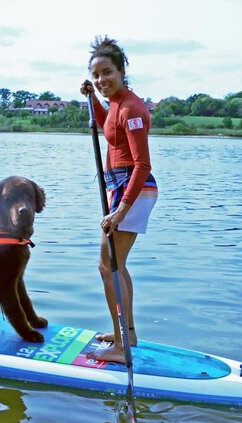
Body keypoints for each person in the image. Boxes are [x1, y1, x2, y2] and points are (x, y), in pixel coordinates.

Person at [80, 36, 158, 363]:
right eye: (96, 75)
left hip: (133, 189)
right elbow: (107, 127)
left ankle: (121, 347)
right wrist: (93, 101)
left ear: (122, 70)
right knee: (116, 265)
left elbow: (142, 164)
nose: (101, 81)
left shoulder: (133, 108)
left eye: (107, 72)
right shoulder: (116, 105)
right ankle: (128, 334)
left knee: (107, 265)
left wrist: (120, 210)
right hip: (122, 188)